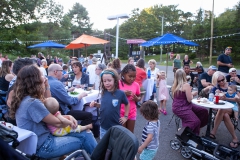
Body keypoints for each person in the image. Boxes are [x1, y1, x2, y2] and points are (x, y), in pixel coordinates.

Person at [9, 65, 97, 159]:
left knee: (84, 133)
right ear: (35, 80)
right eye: (42, 75)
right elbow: (58, 123)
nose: (45, 77)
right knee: (84, 137)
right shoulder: (32, 103)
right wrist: (70, 119)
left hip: (36, 144)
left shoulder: (25, 99)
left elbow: (49, 104)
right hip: (44, 146)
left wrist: (46, 86)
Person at [89, 68, 129, 139]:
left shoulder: (120, 93)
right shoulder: (103, 93)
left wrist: (125, 117)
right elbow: (104, 106)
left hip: (115, 127)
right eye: (104, 81)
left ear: (115, 80)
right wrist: (96, 104)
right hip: (103, 127)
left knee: (114, 147)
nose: (107, 83)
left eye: (109, 80)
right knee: (104, 147)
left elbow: (127, 104)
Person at [172, 69, 208, 135]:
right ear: (184, 75)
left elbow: (181, 97)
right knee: (195, 121)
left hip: (178, 106)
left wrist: (189, 92)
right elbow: (189, 99)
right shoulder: (185, 85)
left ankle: (195, 129)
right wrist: (193, 94)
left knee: (203, 111)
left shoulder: (175, 85)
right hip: (183, 107)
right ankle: (182, 133)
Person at [210, 71, 239, 148]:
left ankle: (213, 132)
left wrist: (227, 98)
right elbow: (210, 99)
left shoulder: (231, 86)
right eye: (219, 81)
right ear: (215, 81)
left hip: (233, 109)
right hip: (222, 111)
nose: (222, 82)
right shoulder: (215, 88)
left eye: (222, 79)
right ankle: (235, 138)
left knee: (222, 109)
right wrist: (216, 96)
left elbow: (238, 99)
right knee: (225, 114)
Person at [119, 64, 141, 133]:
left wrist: (137, 99)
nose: (132, 78)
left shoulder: (136, 85)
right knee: (122, 134)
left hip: (132, 112)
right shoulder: (119, 83)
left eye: (134, 76)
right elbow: (113, 94)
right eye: (130, 76)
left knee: (130, 133)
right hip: (120, 112)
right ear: (123, 74)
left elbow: (139, 96)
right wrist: (122, 93)